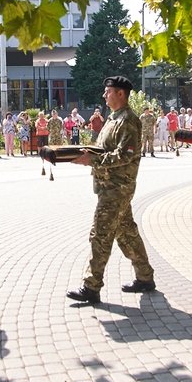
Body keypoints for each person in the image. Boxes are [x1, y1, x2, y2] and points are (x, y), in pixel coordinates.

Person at [66, 75, 156, 304]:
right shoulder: (113, 118)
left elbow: (126, 154)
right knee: (127, 233)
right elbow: (104, 149)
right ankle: (145, 277)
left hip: (118, 187)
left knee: (101, 235)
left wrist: (92, 161)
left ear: (120, 94)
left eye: (108, 92)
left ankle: (91, 286)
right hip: (109, 185)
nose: (104, 95)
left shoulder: (128, 120)